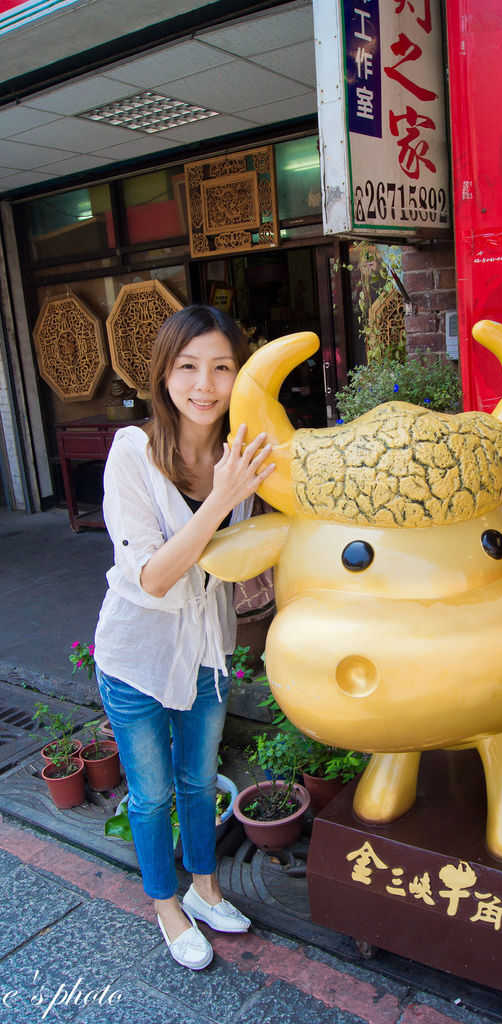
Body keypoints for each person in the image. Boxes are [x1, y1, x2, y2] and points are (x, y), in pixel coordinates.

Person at [94, 305, 274, 970]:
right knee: (153, 794)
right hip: (136, 655)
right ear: (163, 374)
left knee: (200, 782)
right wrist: (225, 498)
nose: (205, 384)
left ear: (239, 374)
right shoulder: (132, 454)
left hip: (207, 652)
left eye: (222, 367)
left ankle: (204, 889)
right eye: (188, 366)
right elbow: (154, 576)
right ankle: (166, 905)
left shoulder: (243, 453)